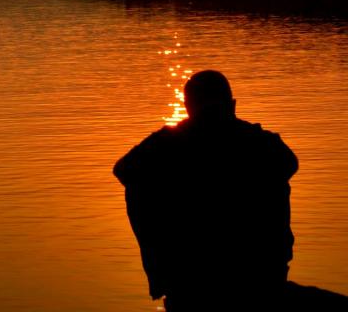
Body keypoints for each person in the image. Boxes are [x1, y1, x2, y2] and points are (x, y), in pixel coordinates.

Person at [114, 70, 298, 311]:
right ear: (232, 105)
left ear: (188, 107)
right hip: (257, 269)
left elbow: (124, 170)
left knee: (139, 186)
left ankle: (166, 273)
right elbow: (289, 164)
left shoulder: (168, 144)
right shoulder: (261, 141)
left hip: (195, 270)